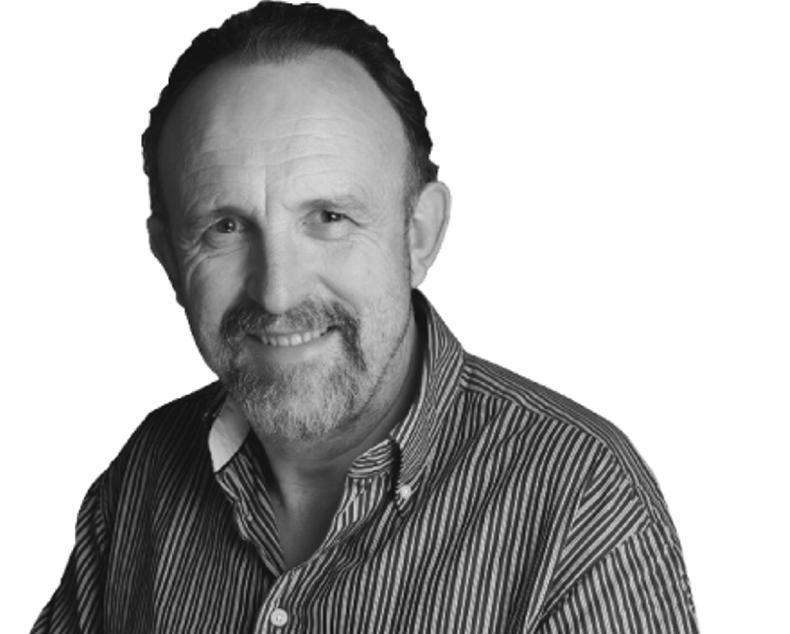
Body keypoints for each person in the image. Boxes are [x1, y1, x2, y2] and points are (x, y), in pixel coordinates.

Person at [33, 2, 698, 632]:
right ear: (168, 256)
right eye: (226, 227)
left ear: (419, 235)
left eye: (329, 218)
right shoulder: (143, 477)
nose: (277, 294)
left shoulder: (581, 501)